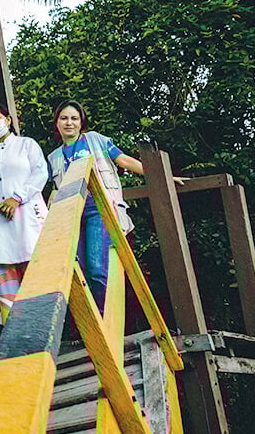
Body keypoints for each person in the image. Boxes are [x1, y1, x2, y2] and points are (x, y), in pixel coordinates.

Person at [46, 100, 181, 313]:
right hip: (73, 216)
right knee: (78, 273)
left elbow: (125, 161)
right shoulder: (53, 157)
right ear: (57, 123)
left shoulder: (95, 140)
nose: (69, 123)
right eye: (64, 118)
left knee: (97, 269)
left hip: (99, 209)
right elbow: (51, 189)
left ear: (81, 122)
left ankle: (104, 321)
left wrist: (164, 176)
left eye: (74, 118)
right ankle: (91, 326)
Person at [0, 103, 48, 323]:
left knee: (37, 273)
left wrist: (16, 199)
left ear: (8, 120)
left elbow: (40, 174)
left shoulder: (27, 145)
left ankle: (42, 330)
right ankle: (15, 334)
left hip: (27, 218)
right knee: (6, 280)